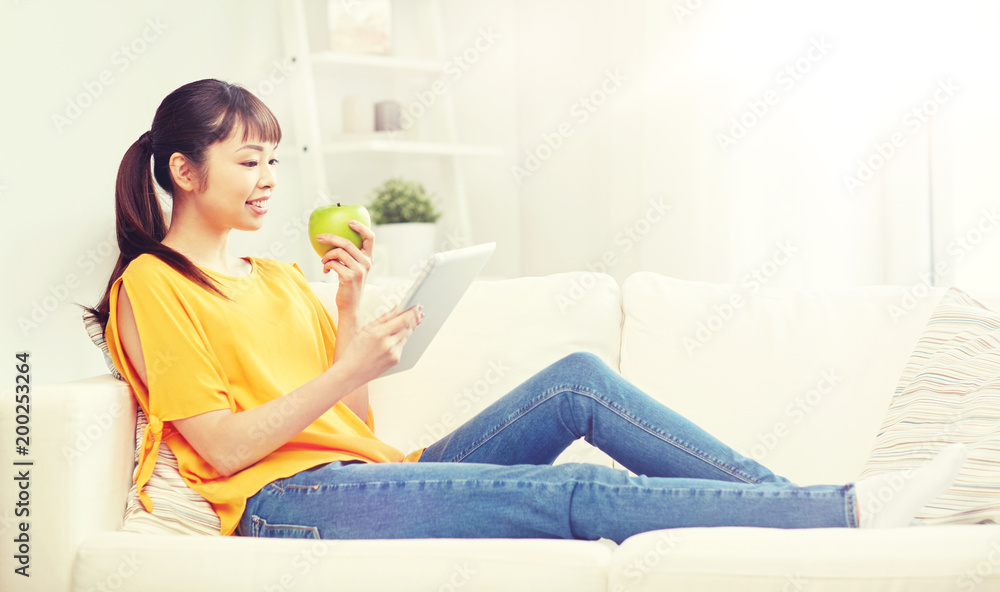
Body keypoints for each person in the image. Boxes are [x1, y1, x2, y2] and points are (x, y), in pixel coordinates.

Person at [83, 78, 968, 542]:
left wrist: (349, 312)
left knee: (578, 384)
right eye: (248, 162)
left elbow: (353, 423)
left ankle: (799, 508)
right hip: (278, 503)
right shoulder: (154, 286)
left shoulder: (278, 278)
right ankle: (846, 514)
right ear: (183, 171)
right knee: (573, 491)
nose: (270, 181)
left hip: (366, 472)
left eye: (275, 160)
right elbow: (225, 445)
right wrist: (351, 364)